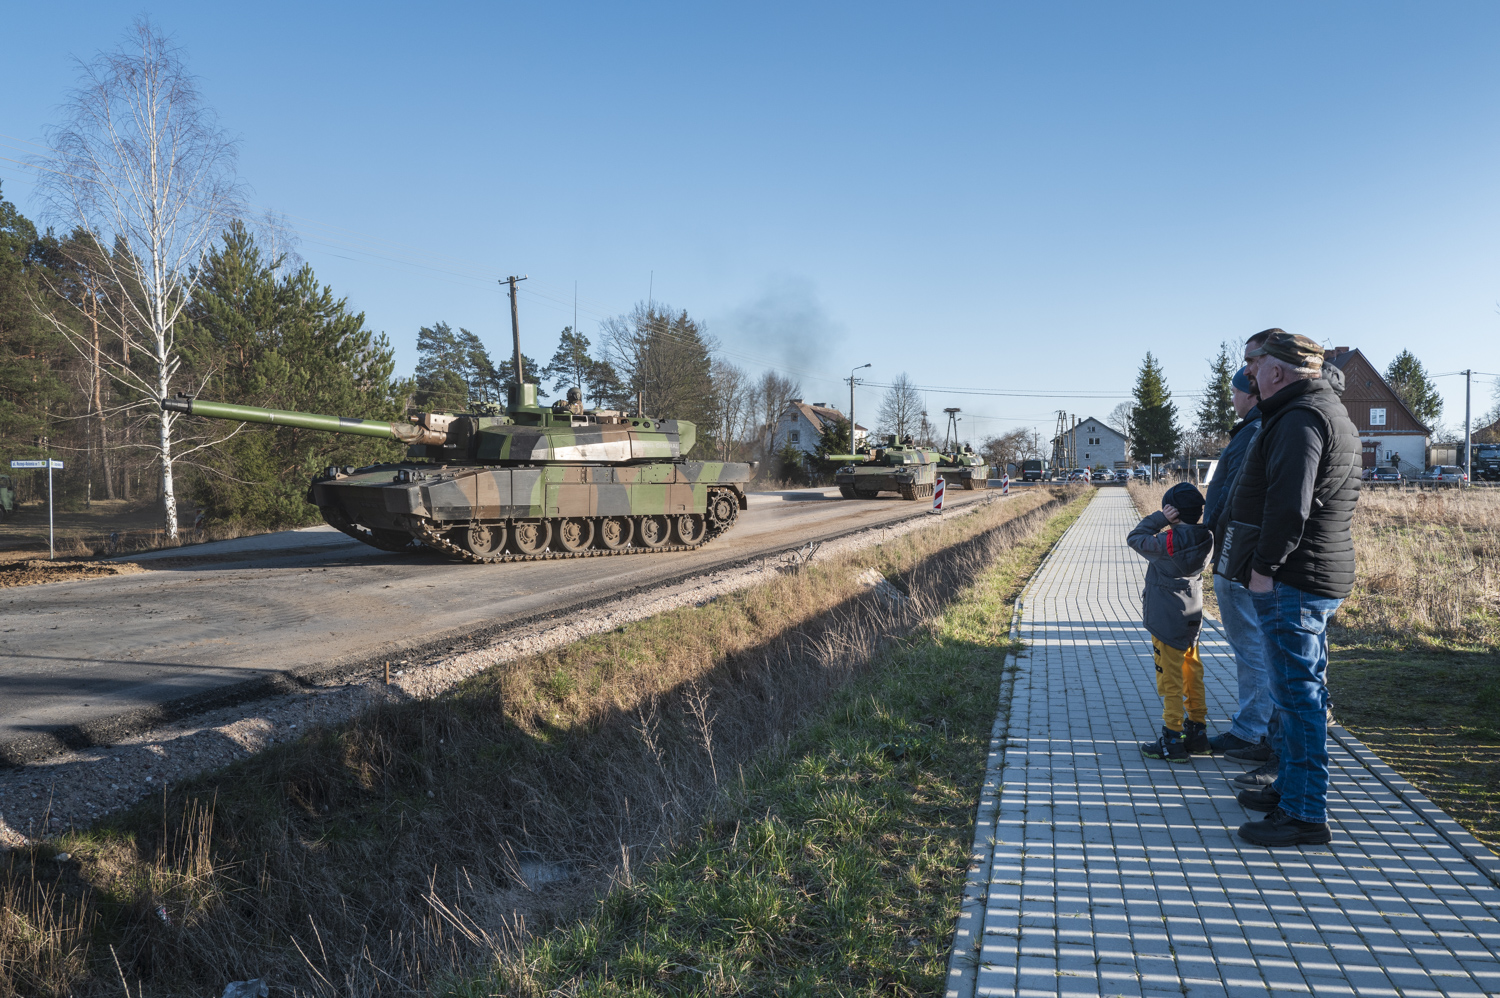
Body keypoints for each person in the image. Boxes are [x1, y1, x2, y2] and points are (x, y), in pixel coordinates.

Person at [1230, 330, 1360, 847]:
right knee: (1299, 691)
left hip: (1294, 578)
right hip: (1309, 574)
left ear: (1277, 369)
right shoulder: (1316, 409)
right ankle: (1289, 790)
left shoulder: (1300, 419)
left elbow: (1289, 505)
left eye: (1252, 363)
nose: (1248, 374)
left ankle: (1305, 813)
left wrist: (1264, 567)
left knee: (1297, 695)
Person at [1202, 361, 1269, 760]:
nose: (1232, 398)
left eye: (1235, 391)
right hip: (1243, 549)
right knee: (1257, 644)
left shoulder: (1254, 431)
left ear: (1250, 392)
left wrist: (1215, 534)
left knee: (1251, 646)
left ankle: (1252, 729)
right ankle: (1261, 725)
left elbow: (1234, 492)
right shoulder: (1258, 427)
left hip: (1240, 551)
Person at [1127, 482, 1214, 763]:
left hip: (1165, 620)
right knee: (1192, 672)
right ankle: (1197, 733)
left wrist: (1161, 519)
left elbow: (1135, 536)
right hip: (1192, 617)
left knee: (1170, 680)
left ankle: (1172, 738)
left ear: (1172, 510)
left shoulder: (1166, 543)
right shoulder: (1207, 537)